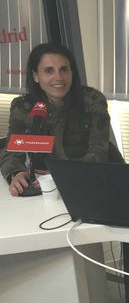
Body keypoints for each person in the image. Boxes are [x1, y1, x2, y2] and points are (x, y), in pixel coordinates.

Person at [0, 42, 114, 196]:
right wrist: (16, 173)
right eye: (49, 71)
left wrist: (64, 173)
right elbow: (12, 150)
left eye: (64, 69)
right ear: (35, 76)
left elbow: (99, 152)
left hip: (93, 182)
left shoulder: (92, 100)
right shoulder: (23, 106)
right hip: (46, 187)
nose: (59, 77)